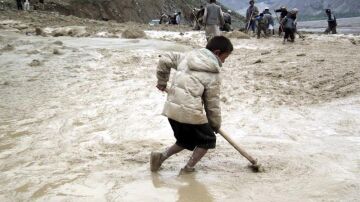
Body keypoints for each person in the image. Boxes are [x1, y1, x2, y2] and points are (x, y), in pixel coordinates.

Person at [151, 36, 233, 173]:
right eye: (225, 58)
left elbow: (164, 59)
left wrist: (162, 82)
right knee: (208, 140)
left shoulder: (187, 57)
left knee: (186, 140)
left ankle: (160, 157)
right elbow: (212, 104)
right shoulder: (213, 74)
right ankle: (188, 169)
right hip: (189, 113)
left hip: (171, 110)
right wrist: (215, 124)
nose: (223, 62)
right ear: (217, 53)